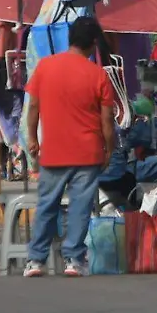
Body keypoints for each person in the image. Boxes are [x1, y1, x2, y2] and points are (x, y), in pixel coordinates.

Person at [23, 17, 116, 278]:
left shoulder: (45, 67)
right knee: (80, 206)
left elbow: (33, 107)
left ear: (70, 37)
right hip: (87, 152)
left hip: (53, 152)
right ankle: (74, 259)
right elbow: (107, 120)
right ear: (94, 43)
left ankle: (36, 260)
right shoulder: (98, 74)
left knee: (46, 205)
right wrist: (109, 149)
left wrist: (32, 138)